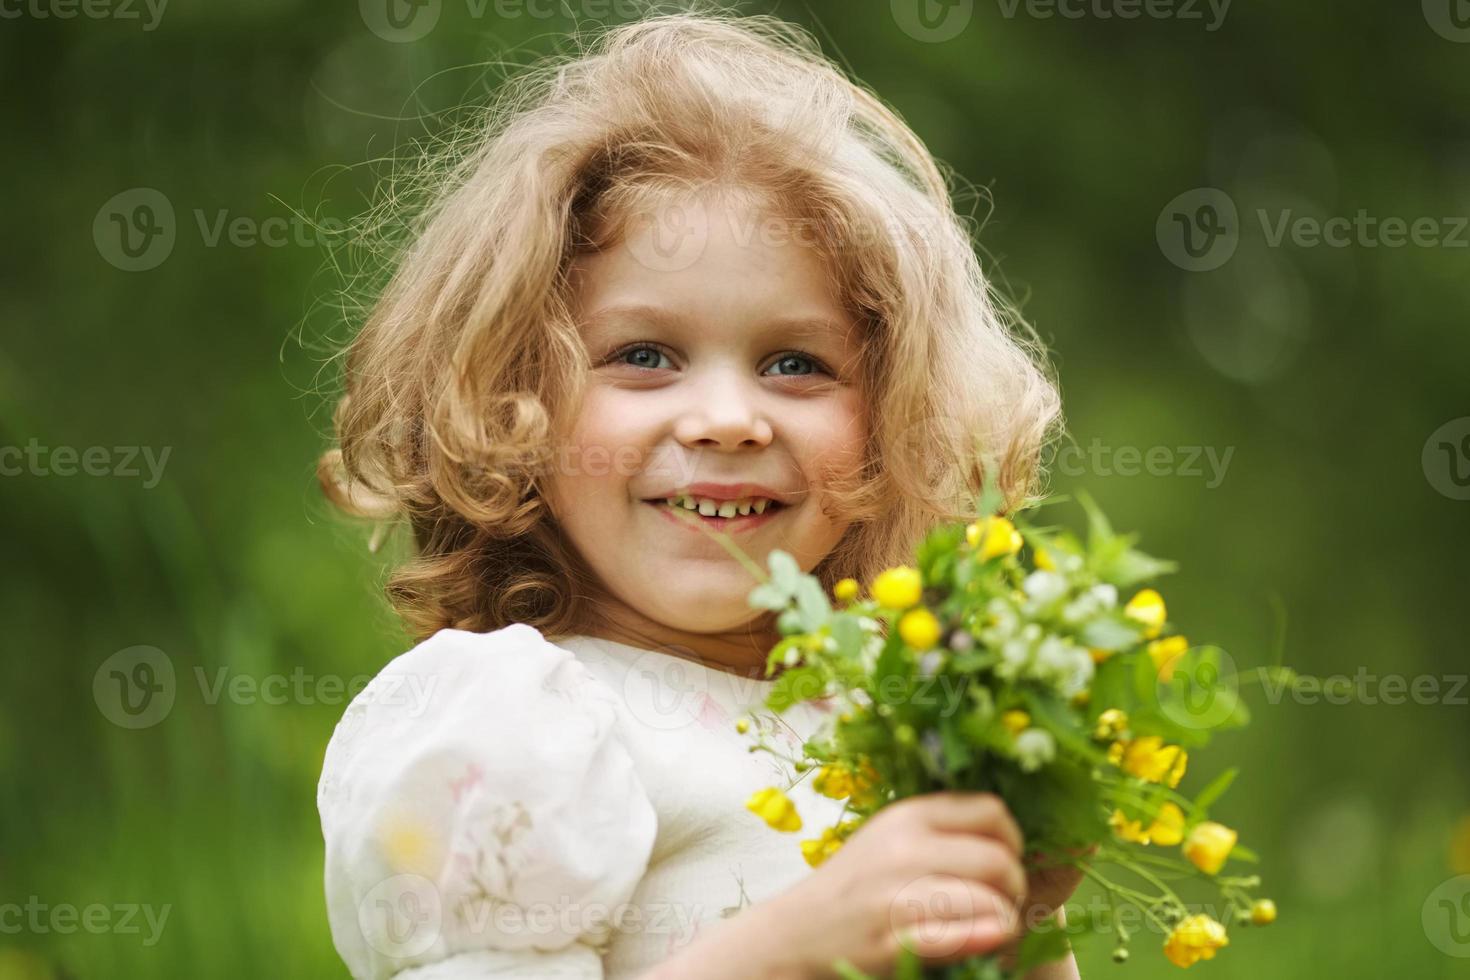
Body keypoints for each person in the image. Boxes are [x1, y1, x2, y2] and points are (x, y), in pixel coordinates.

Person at [316, 10, 1076, 978]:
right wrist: (797, 944)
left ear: (893, 417)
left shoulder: (898, 721)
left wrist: (1024, 921)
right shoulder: (519, 726)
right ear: (516, 398)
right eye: (644, 355)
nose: (726, 417)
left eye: (796, 363)